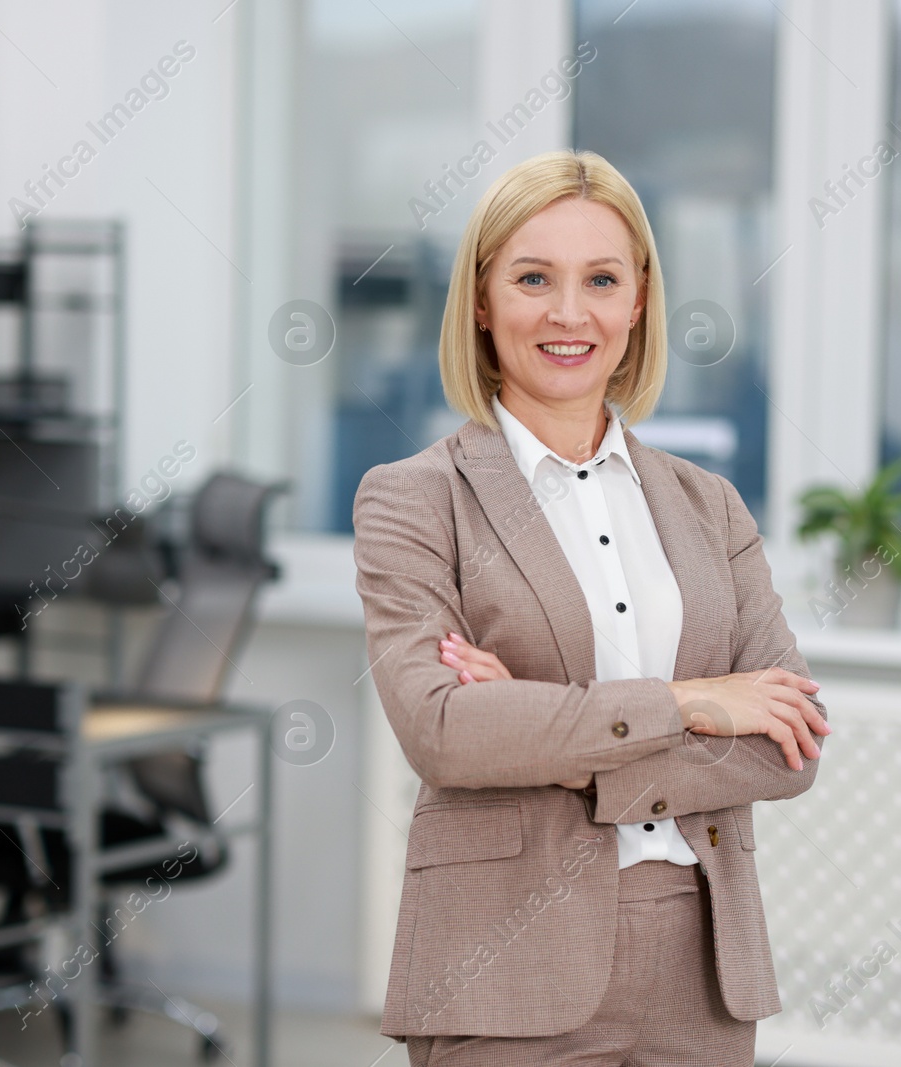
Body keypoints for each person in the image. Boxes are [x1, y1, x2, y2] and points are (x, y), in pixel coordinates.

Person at [353, 148, 831, 1067]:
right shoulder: (415, 499)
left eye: (601, 279)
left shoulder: (710, 504)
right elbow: (446, 731)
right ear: (482, 301)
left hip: (701, 964)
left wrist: (542, 730)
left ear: (639, 300)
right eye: (534, 277)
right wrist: (690, 701)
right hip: (505, 961)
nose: (570, 313)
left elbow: (788, 740)